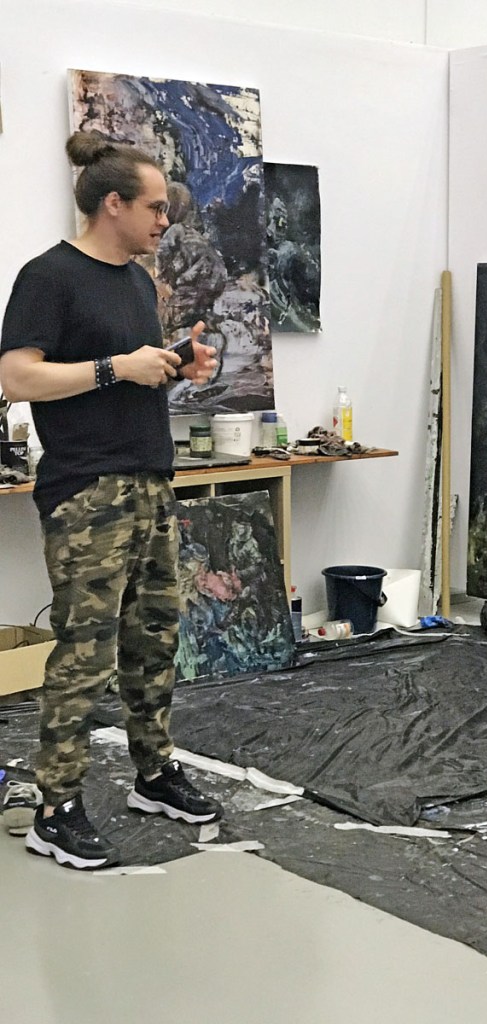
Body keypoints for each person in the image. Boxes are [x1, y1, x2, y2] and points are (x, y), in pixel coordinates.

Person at [0, 131, 222, 870]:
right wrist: (115, 367)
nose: (166, 219)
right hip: (87, 491)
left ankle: (154, 773)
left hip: (150, 479)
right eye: (156, 207)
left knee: (154, 640)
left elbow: (129, 375)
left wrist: (177, 365)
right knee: (85, 653)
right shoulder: (49, 276)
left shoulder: (136, 283)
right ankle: (55, 807)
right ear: (114, 204)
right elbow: (17, 378)